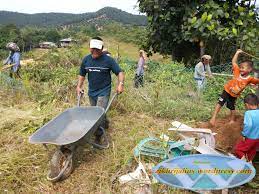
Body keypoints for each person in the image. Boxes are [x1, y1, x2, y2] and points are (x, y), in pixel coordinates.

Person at [76, 37, 125, 144]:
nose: (95, 51)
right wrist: (79, 86)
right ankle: (105, 122)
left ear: (102, 48)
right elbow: (82, 74)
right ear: (89, 47)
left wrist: (120, 84)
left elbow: (120, 72)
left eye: (97, 49)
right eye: (92, 49)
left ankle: (98, 136)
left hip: (104, 91)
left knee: (97, 115)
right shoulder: (86, 60)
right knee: (96, 111)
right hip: (92, 91)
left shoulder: (108, 60)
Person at [210, 49, 259, 126]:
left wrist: (255, 85)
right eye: (240, 67)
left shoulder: (250, 79)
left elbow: (257, 81)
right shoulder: (237, 71)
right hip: (226, 90)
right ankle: (213, 117)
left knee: (232, 107)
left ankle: (232, 120)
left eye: (243, 67)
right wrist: (237, 53)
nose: (241, 69)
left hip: (234, 95)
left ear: (249, 69)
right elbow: (233, 62)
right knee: (220, 103)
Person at [234, 94, 259, 163]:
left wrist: (244, 134)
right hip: (257, 139)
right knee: (251, 151)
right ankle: (249, 163)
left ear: (247, 105)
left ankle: (243, 159)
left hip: (250, 138)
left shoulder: (248, 113)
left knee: (238, 150)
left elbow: (249, 125)